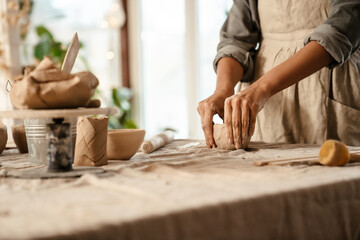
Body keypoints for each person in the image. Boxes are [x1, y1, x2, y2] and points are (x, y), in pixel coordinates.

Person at [197, 0, 360, 149]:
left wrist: (262, 87)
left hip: (328, 80)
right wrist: (223, 90)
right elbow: (235, 40)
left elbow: (343, 28)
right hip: (265, 101)